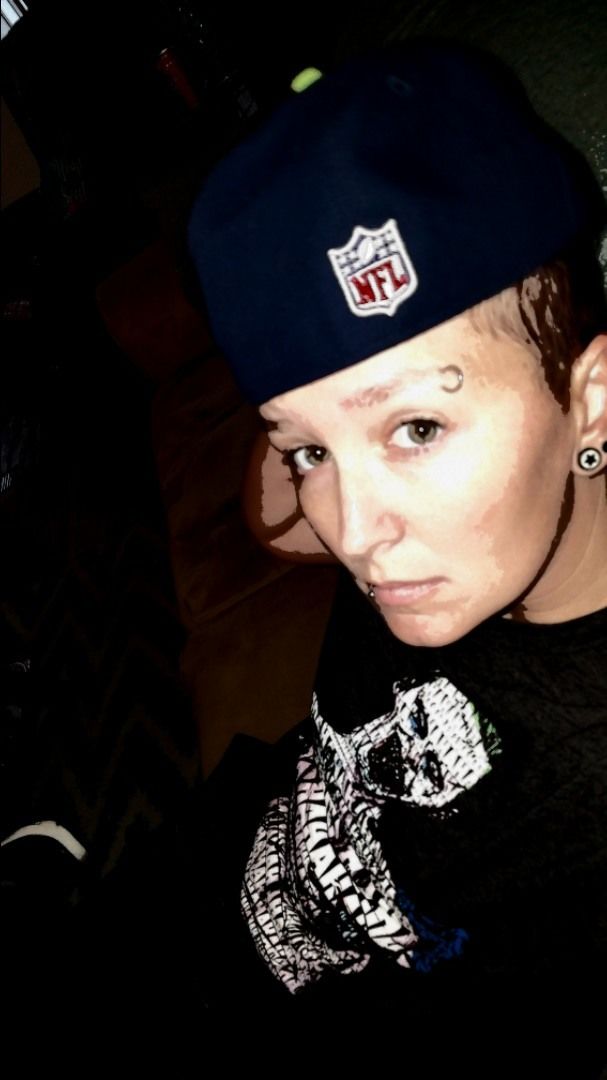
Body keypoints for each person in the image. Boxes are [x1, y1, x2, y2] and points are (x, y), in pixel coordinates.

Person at [187, 41, 606, 1072]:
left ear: (590, 398)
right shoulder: (416, 531)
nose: (352, 533)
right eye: (310, 451)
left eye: (417, 428)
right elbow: (277, 518)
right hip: (231, 849)